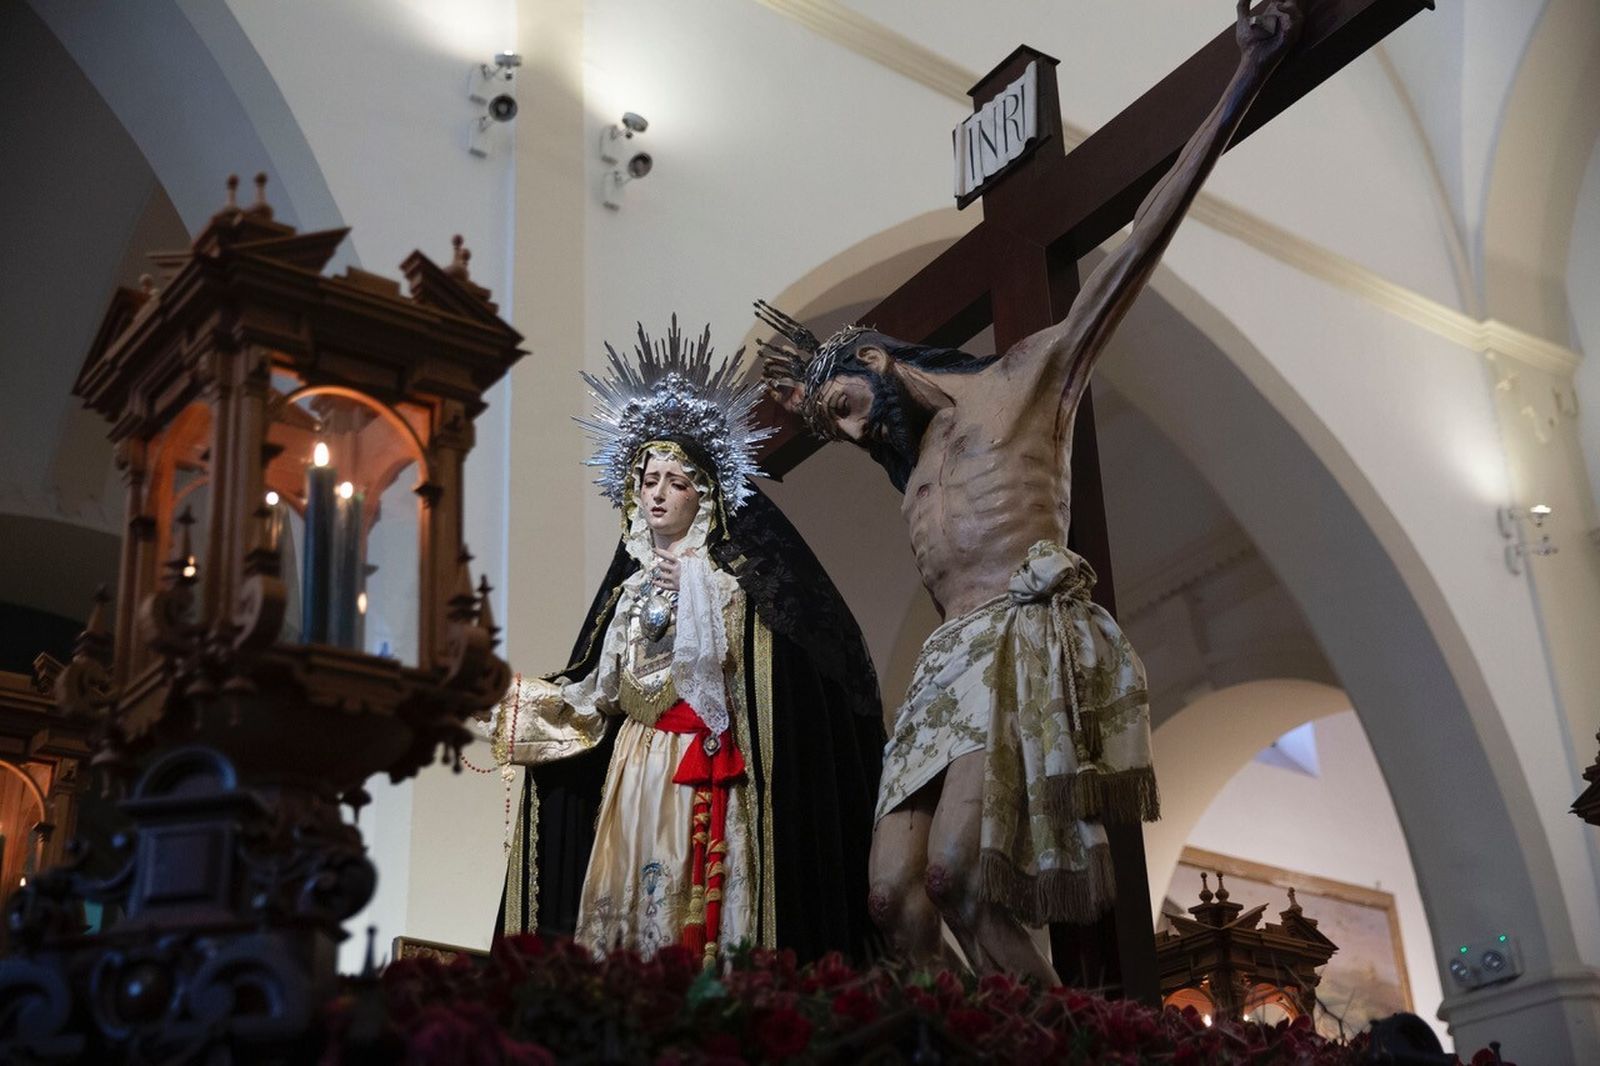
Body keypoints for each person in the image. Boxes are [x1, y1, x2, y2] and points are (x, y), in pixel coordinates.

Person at [757, 0, 1303, 983]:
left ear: (879, 358)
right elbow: (825, 428)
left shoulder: (1027, 380)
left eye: (842, 404)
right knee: (889, 897)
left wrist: (1242, 77)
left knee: (959, 879)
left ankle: (1054, 1034)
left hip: (1017, 638)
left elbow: (1140, 242)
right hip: (942, 664)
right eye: (830, 425)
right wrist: (791, 417)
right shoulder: (910, 463)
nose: (848, 432)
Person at [492, 319, 884, 966]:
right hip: (635, 770)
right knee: (626, 912)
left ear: (704, 498)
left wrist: (705, 586)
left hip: (699, 769)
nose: (659, 494)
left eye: (676, 482)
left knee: (691, 907)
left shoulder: (735, 588)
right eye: (649, 481)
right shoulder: (626, 595)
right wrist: (533, 708)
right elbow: (600, 691)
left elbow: (760, 676)